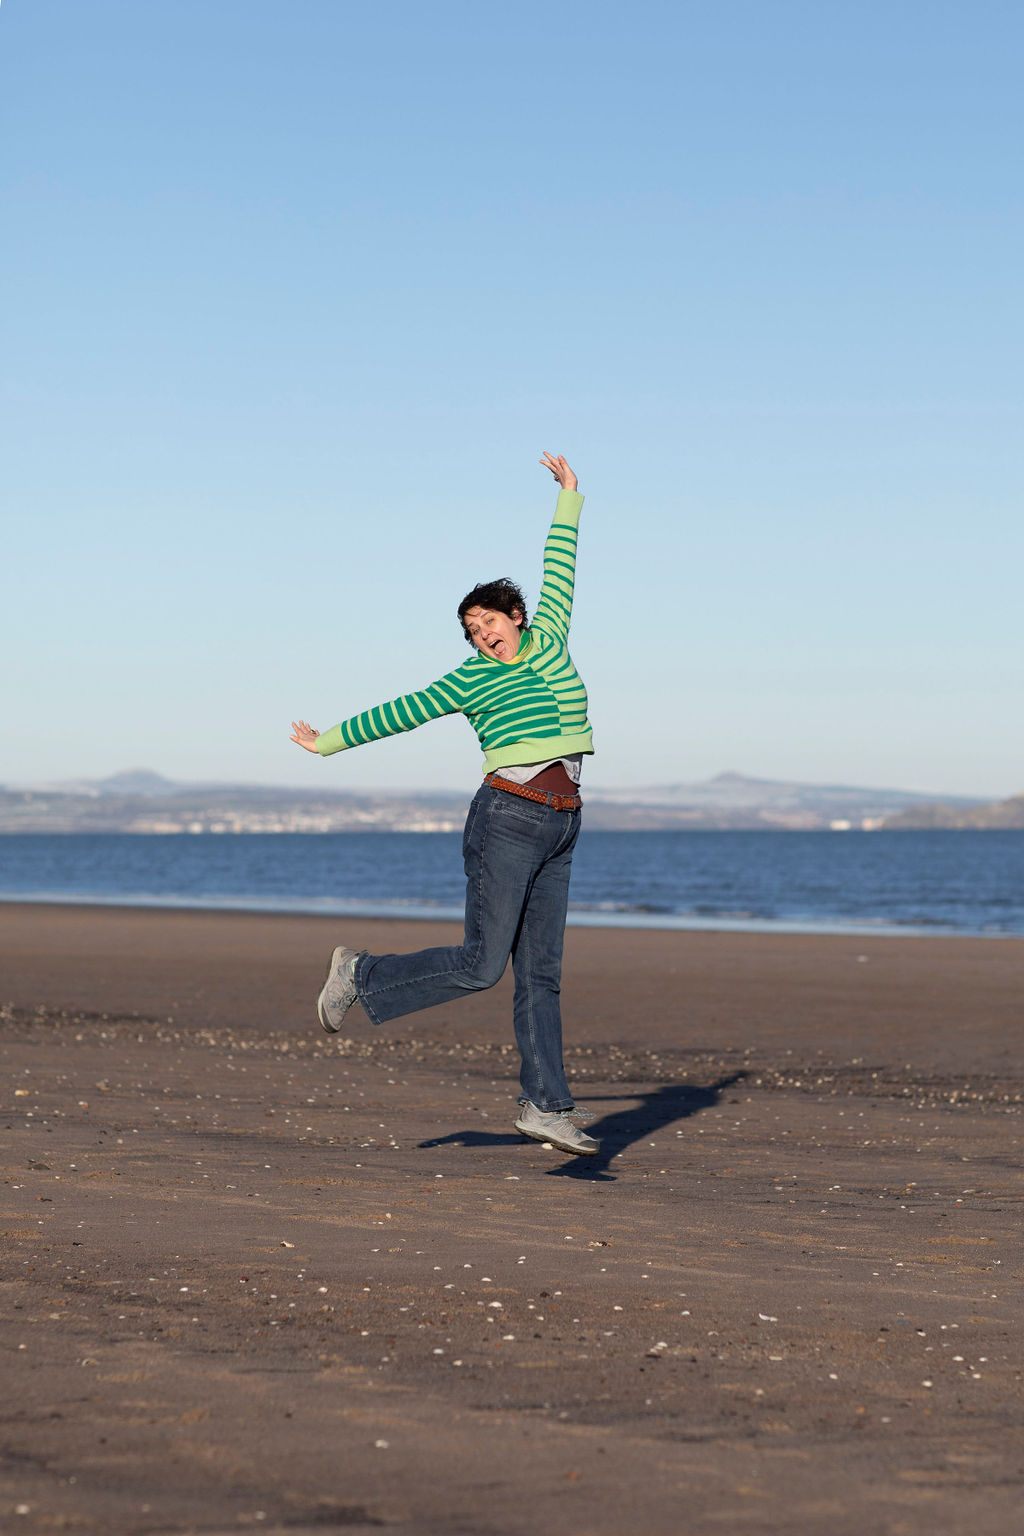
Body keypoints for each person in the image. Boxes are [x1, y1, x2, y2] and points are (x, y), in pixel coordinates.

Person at [289, 454, 598, 1156]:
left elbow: (562, 568)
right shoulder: (468, 680)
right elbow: (402, 711)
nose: (481, 634)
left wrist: (570, 498)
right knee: (484, 965)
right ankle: (360, 974)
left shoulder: (550, 637)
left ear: (516, 616)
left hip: (562, 822)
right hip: (508, 818)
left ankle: (545, 1105)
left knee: (541, 975)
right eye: (470, 629)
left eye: (488, 620)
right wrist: (329, 742)